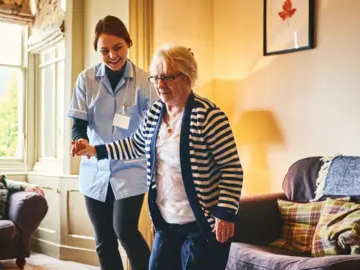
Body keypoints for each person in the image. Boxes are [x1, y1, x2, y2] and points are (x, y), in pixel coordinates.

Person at [73, 45, 244, 270]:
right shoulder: (156, 112)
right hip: (166, 224)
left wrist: (225, 213)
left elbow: (231, 168)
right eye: (156, 78)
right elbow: (136, 145)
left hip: (202, 226)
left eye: (168, 77)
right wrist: (96, 150)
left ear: (188, 77)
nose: (160, 85)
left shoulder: (209, 116)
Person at [67, 15, 157, 270]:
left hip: (131, 169)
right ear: (97, 51)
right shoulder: (86, 79)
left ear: (128, 43)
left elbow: (152, 128)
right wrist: (79, 139)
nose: (112, 55)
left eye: (118, 47)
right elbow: (78, 124)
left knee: (125, 231)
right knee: (104, 240)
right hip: (95, 169)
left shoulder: (144, 82)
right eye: (104, 50)